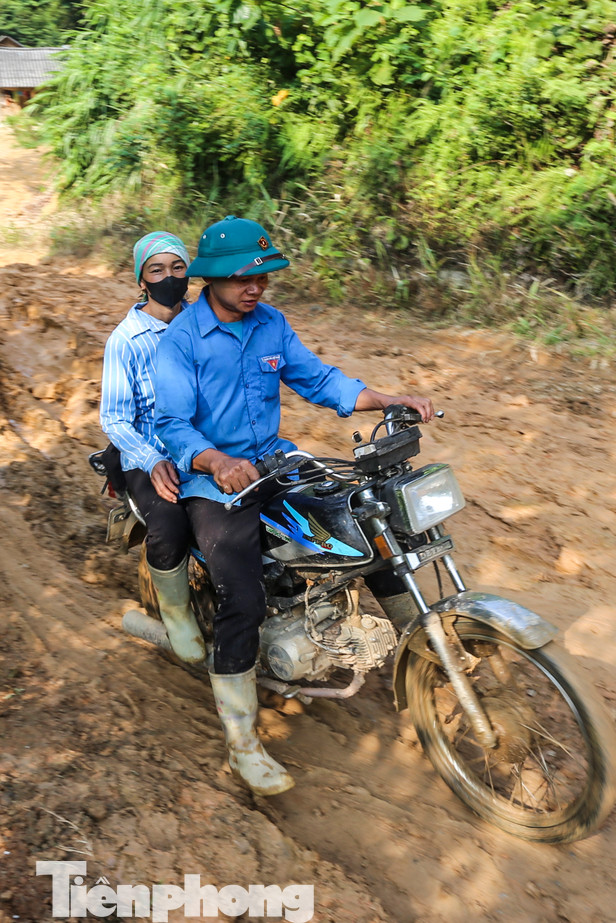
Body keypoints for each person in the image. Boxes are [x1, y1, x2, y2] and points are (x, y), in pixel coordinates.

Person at [153, 215, 435, 796]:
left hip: (277, 466)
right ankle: (242, 744)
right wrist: (216, 462)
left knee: (366, 531)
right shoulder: (180, 341)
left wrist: (387, 398)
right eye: (240, 277)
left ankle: (429, 655)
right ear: (211, 278)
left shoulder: (272, 324)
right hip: (215, 485)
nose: (254, 286)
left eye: (262, 275)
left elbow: (321, 381)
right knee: (243, 595)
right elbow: (171, 424)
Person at [99, 232, 202, 664]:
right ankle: (176, 614)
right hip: (150, 452)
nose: (169, 278)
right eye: (157, 270)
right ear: (141, 280)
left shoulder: (204, 323)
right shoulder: (126, 340)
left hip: (206, 444)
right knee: (169, 521)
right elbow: (115, 418)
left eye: (177, 268)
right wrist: (152, 459)